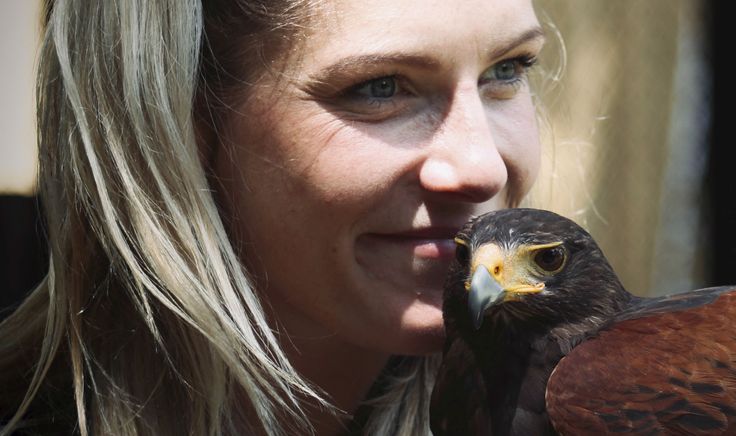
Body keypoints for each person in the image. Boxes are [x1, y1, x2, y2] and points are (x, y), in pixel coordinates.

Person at [0, 0, 545, 434]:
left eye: (506, 69)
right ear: (175, 123)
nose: (484, 168)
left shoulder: (576, 406)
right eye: (379, 87)